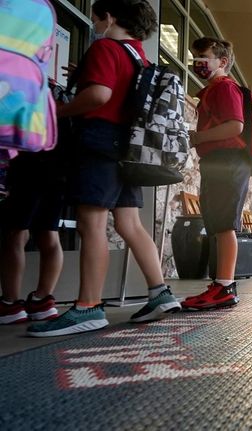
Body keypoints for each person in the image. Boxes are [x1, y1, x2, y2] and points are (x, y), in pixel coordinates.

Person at [29, 0, 181, 337]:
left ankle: (87, 306)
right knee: (129, 223)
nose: (96, 24)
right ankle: (159, 292)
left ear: (110, 17)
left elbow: (99, 95)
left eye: (97, 18)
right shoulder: (139, 56)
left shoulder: (106, 48)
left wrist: (60, 109)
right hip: (130, 146)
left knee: (91, 222)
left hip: (100, 141)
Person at [180, 37, 248, 311]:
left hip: (228, 161)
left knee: (224, 225)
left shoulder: (225, 88)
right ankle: (221, 283)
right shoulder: (211, 90)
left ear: (222, 62)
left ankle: (225, 285)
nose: (198, 63)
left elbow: (236, 126)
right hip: (218, 162)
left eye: (204, 57)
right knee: (218, 224)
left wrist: (198, 137)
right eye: (195, 57)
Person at [0, 149, 65, 324]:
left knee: (15, 232)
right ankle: (42, 301)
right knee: (49, 232)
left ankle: (10, 304)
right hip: (60, 160)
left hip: (26, 159)